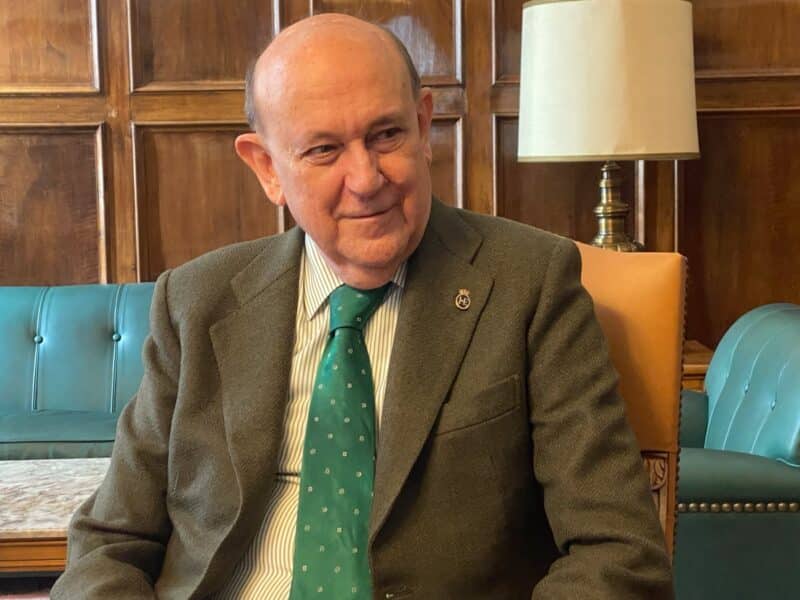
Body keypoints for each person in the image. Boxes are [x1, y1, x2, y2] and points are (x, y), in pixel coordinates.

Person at [52, 13, 673, 600]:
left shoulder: (527, 284)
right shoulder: (196, 300)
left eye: (386, 134)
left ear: (424, 125)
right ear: (267, 168)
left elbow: (618, 550)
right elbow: (110, 542)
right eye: (323, 150)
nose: (367, 178)